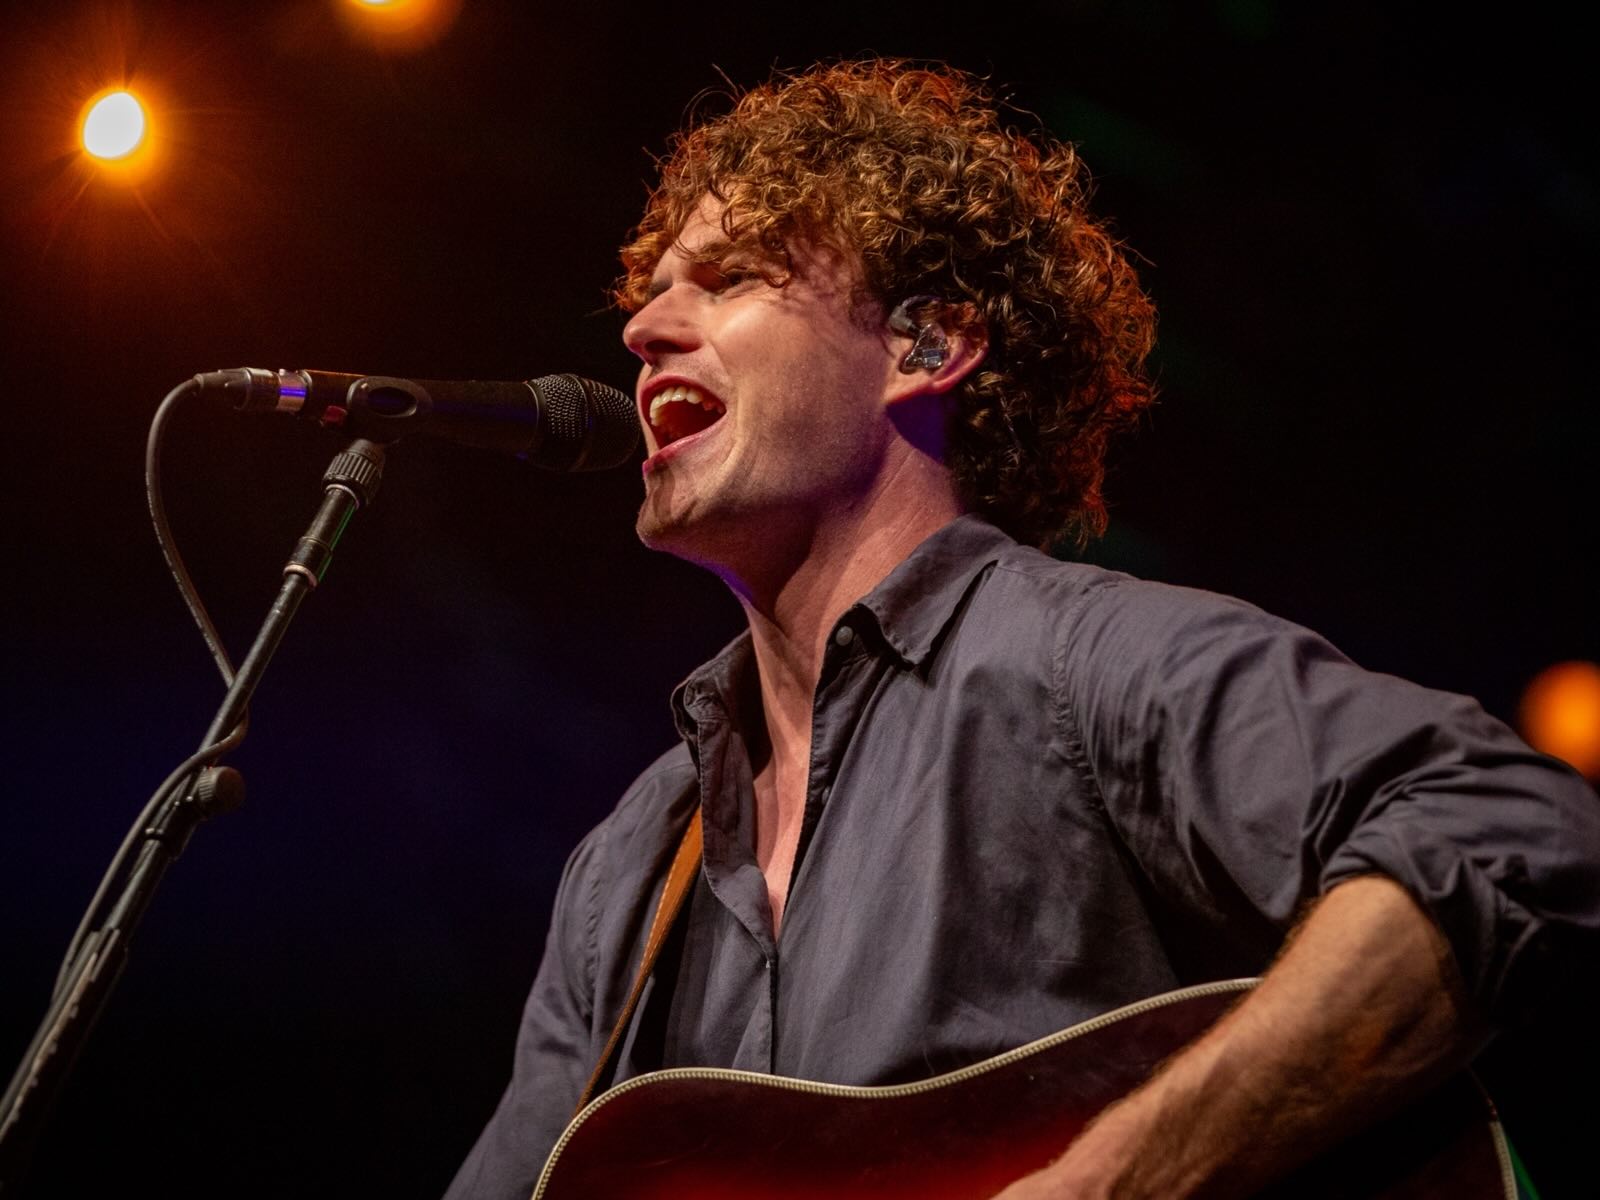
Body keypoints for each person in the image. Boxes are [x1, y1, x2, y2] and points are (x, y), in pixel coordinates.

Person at [444, 59, 1599, 1198]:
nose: (644, 327)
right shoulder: (630, 868)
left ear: (925, 349)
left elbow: (1508, 827)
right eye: (651, 291)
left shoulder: (1083, 669)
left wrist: (1111, 1180)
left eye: (730, 276)